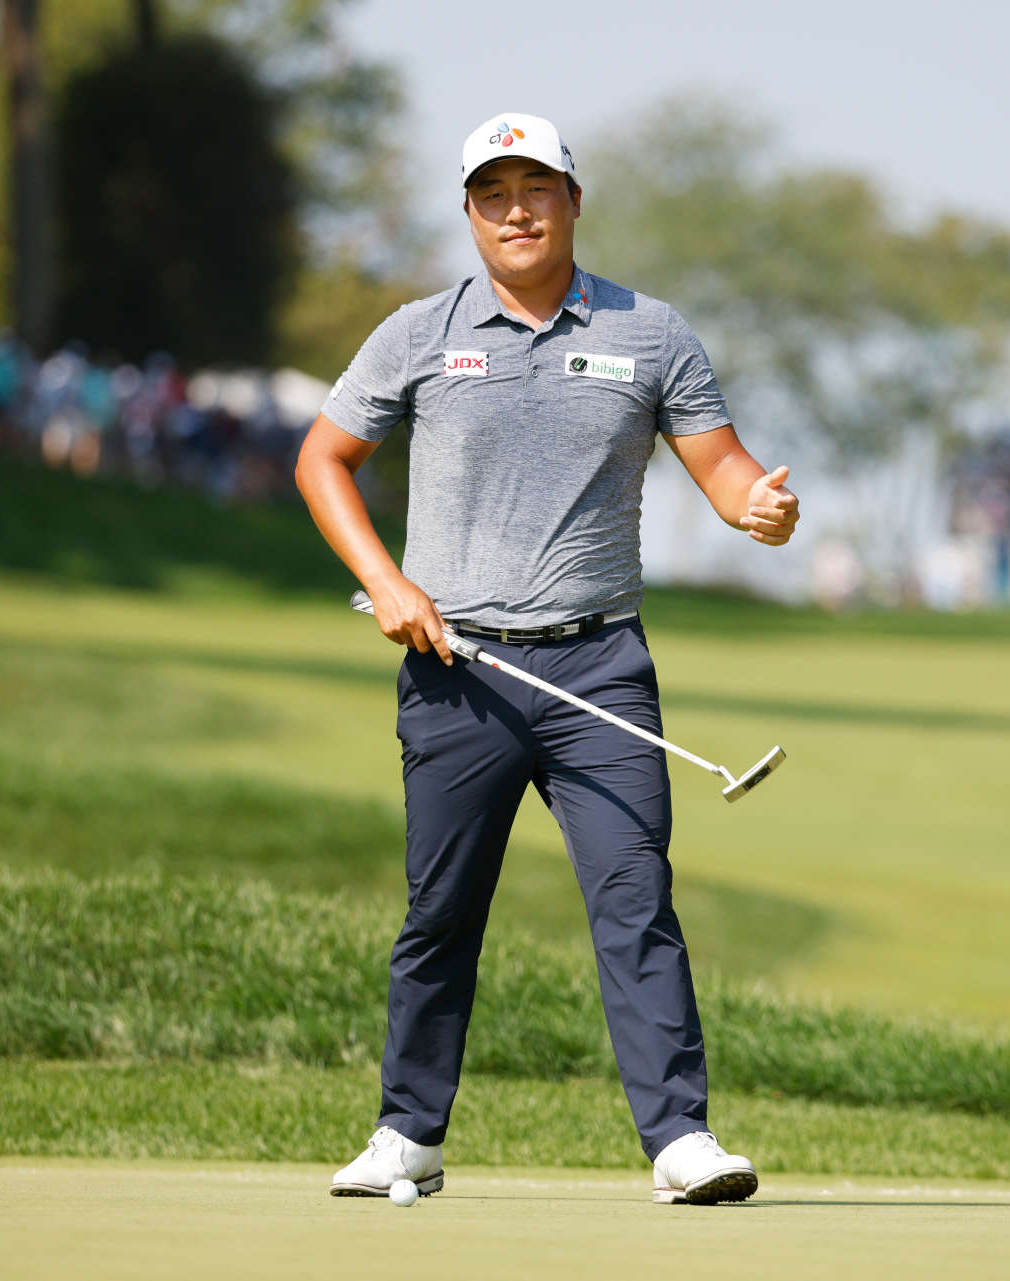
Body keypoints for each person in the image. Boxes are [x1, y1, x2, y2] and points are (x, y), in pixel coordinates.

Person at [294, 112, 800, 1206]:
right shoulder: (421, 333)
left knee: (635, 900)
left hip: (600, 670)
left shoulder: (650, 332)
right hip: (457, 672)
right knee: (443, 910)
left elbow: (724, 471)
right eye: (493, 193)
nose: (516, 210)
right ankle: (407, 1136)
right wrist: (388, 583)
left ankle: (681, 1142)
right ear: (470, 214)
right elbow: (325, 457)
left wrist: (757, 506)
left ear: (575, 200)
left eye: (537, 188)